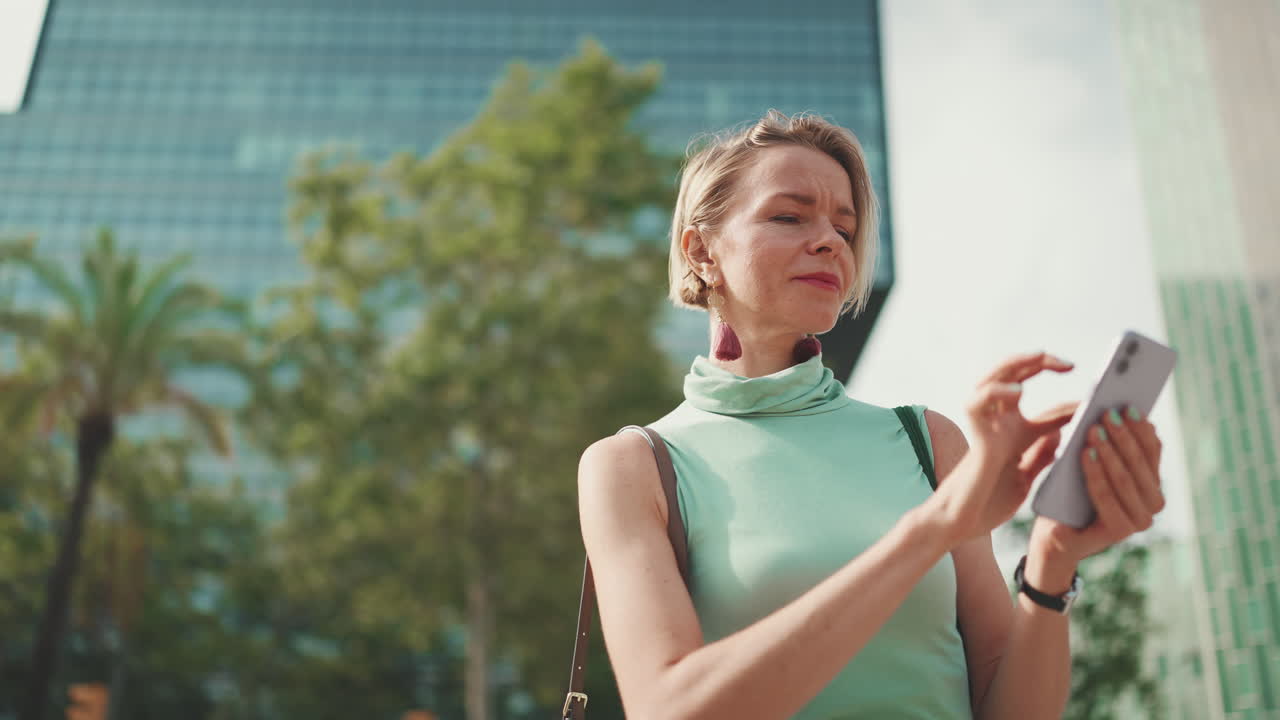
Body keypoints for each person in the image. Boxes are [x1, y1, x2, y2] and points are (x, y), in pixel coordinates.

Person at [576, 110, 1167, 719]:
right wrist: (932, 528)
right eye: (788, 216)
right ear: (700, 250)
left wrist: (1050, 563)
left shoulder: (926, 440)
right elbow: (671, 708)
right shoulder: (632, 466)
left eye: (844, 226)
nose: (831, 240)